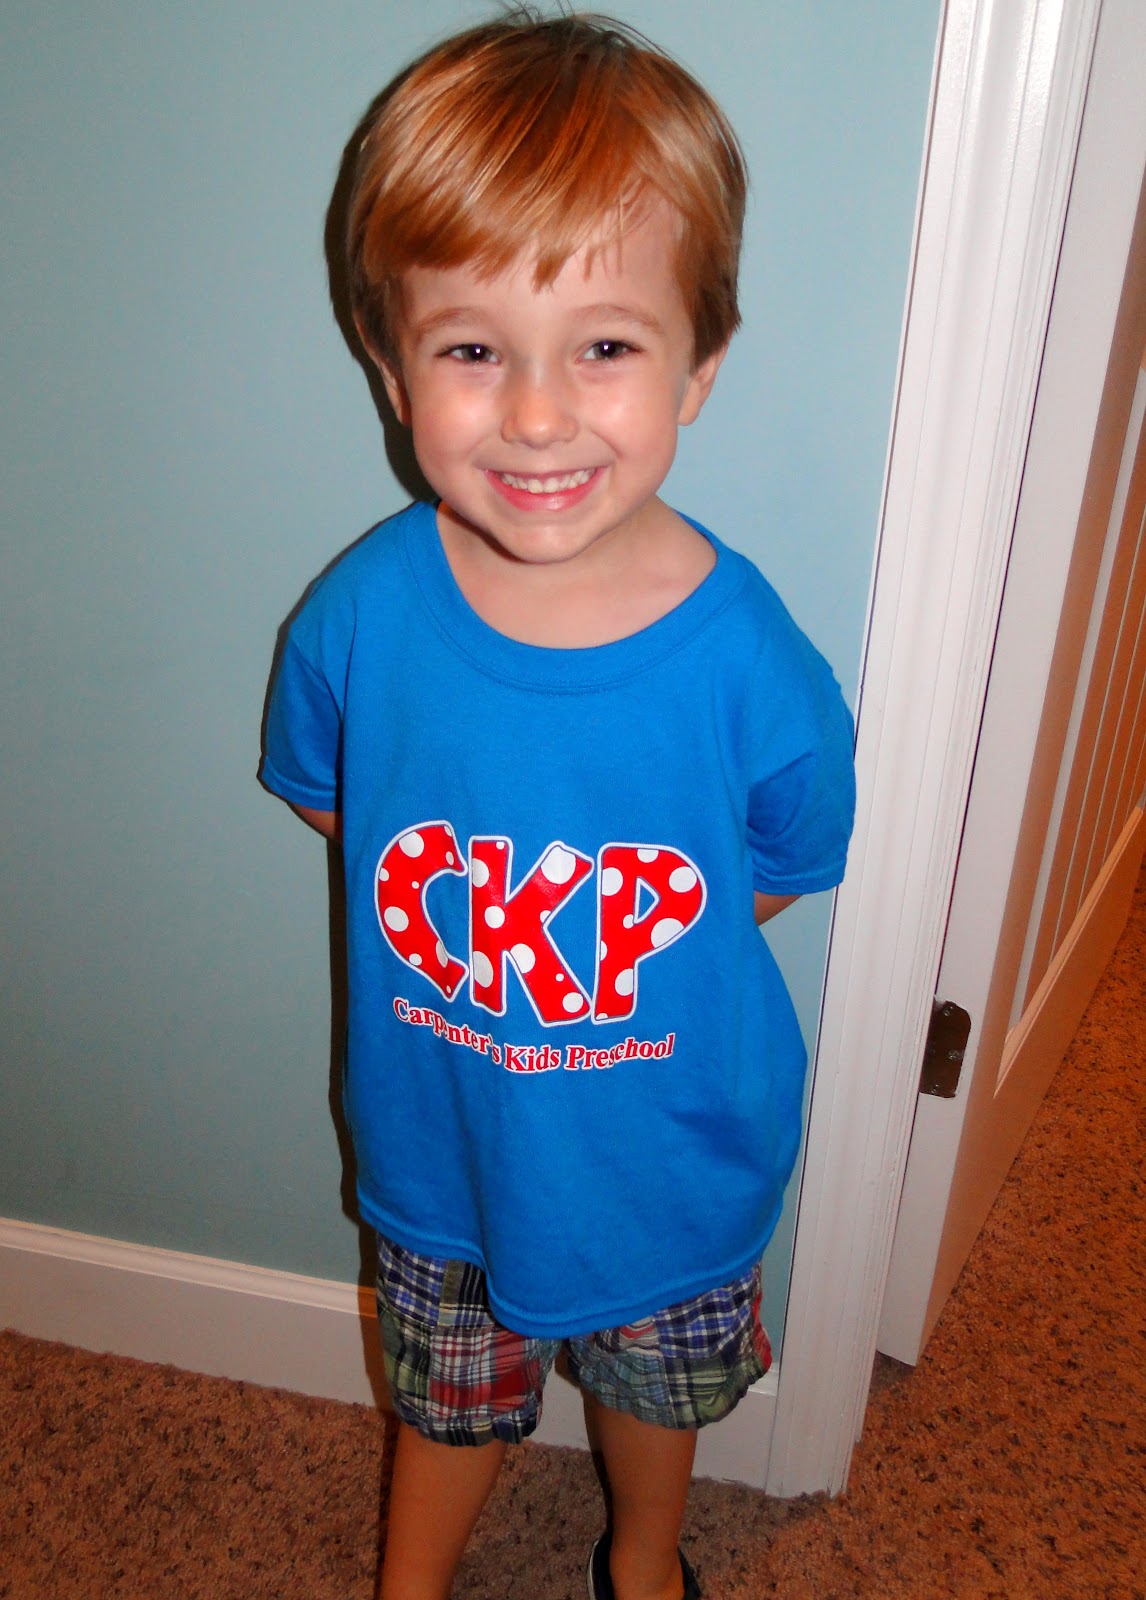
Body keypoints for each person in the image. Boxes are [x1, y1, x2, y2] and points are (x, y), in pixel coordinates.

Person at [260, 12, 855, 1599]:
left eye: (603, 346)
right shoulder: (361, 613)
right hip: (440, 1148)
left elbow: (776, 866)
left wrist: (582, 952)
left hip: (667, 1154)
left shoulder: (745, 656)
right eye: (472, 350)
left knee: (652, 1401)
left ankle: (642, 1560)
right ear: (389, 364)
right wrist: (491, 931)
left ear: (698, 365)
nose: (534, 415)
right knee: (445, 1405)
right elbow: (338, 804)